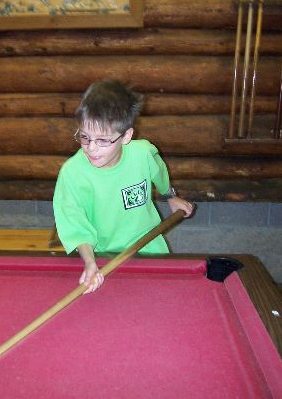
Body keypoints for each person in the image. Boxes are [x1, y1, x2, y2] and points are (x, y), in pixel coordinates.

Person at [53, 79, 194, 294]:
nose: (91, 148)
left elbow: (158, 172)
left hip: (150, 247)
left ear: (126, 136)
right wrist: (90, 262)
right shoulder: (72, 173)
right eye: (84, 137)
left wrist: (170, 196)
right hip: (103, 255)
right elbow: (75, 224)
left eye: (102, 140)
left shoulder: (143, 154)